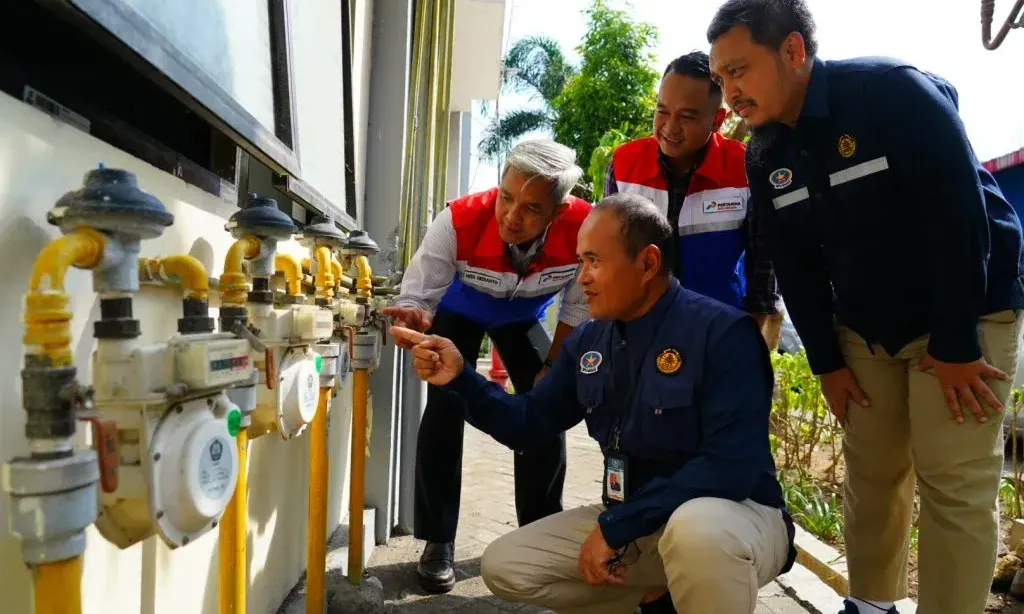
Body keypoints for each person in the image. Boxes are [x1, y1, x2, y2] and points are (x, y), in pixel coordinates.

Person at [707, 2, 1024, 613]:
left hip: (966, 306)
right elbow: (796, 264)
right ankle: (871, 607)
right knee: (873, 476)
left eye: (739, 71)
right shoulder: (765, 152)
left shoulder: (893, 94)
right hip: (866, 321)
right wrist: (826, 362)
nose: (730, 94)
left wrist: (956, 344)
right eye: (721, 78)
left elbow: (962, 221)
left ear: (794, 51)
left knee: (953, 483)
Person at [391, 193, 796, 614]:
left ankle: (684, 585)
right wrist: (461, 377)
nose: (582, 278)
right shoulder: (589, 341)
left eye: (594, 261)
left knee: (698, 533)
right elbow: (528, 423)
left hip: (736, 517)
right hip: (638, 523)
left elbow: (730, 466)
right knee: (507, 566)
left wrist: (617, 526)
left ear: (648, 264)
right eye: (580, 262)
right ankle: (655, 596)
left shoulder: (723, 333)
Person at [382, 139, 592, 593]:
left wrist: (554, 364)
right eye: (506, 197)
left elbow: (578, 309)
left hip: (523, 317)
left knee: (547, 409)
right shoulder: (456, 219)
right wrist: (414, 317)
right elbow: (416, 294)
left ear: (559, 211)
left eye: (532, 208)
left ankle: (540, 534)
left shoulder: (584, 226)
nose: (512, 216)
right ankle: (438, 540)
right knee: (445, 406)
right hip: (459, 312)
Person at [605, 50, 783, 348]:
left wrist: (749, 338)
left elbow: (763, 260)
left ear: (718, 119)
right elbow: (609, 252)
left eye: (687, 116)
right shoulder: (624, 164)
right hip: (636, 331)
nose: (670, 127)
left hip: (719, 332)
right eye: (662, 112)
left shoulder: (746, 168)